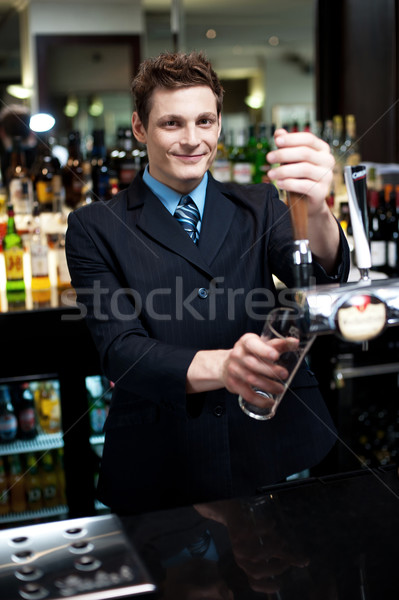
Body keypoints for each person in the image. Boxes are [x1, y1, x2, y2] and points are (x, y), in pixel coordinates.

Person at [66, 51, 350, 515]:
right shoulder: (94, 226)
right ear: (139, 127)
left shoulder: (259, 203)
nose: (192, 140)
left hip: (275, 446)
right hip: (164, 461)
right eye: (171, 124)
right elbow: (122, 351)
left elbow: (321, 276)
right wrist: (225, 367)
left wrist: (316, 210)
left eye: (205, 121)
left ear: (219, 124)